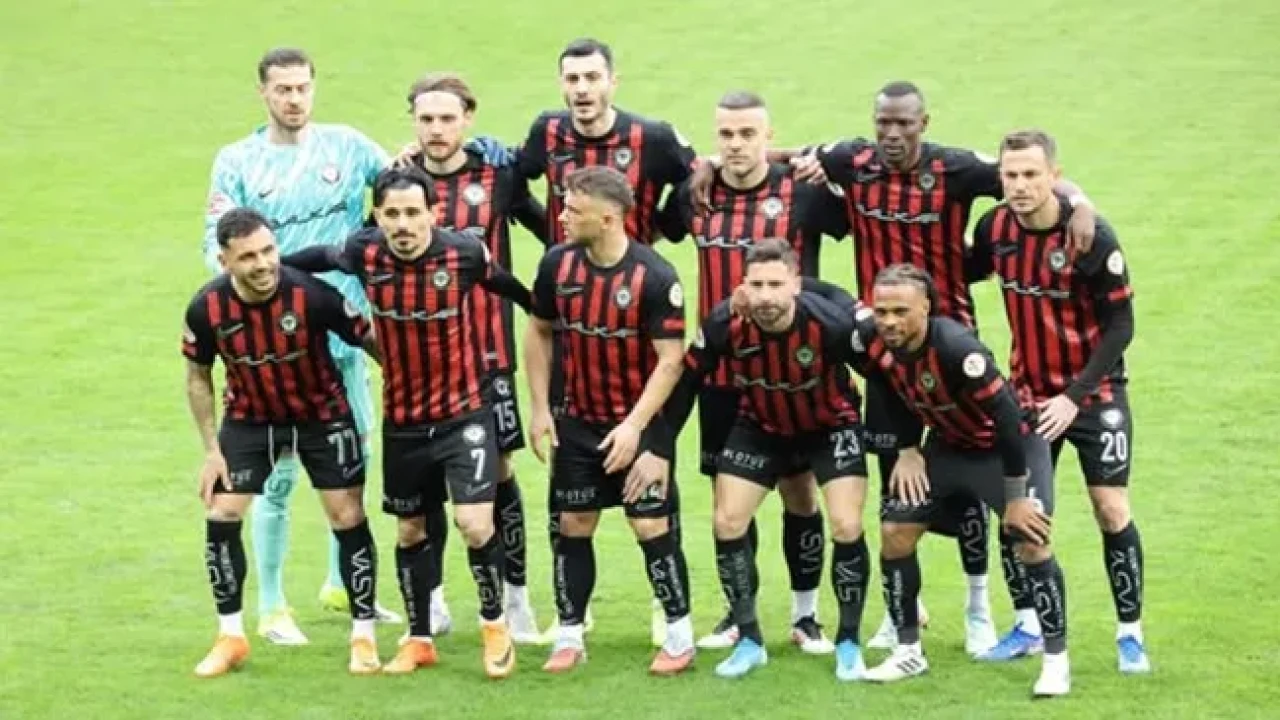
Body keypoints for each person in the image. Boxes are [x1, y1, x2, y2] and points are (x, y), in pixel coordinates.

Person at [705, 80, 1100, 654]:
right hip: (884, 341)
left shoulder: (955, 169)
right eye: (883, 123)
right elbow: (788, 154)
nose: (892, 134)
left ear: (923, 123)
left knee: (970, 484)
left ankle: (980, 608)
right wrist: (711, 164)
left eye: (903, 124)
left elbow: (1027, 176)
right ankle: (901, 614)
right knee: (898, 477)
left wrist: (1080, 203)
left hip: (950, 343)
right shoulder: (853, 160)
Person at [281, 167, 533, 678]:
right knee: (410, 530)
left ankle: (494, 626)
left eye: (413, 213)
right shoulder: (364, 252)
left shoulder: (463, 253)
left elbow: (508, 286)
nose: (402, 224)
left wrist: (544, 311)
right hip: (403, 420)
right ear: (377, 216)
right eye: (392, 213)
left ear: (433, 214)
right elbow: (315, 260)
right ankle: (419, 639)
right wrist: (273, 268)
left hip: (465, 413)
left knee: (474, 523)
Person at [199, 47, 399, 643]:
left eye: (302, 87)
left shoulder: (349, 147)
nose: (294, 98)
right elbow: (214, 244)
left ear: (314, 87)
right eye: (282, 89)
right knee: (277, 475)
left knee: (352, 463)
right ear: (262, 92)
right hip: (275, 344)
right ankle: (271, 605)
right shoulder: (238, 161)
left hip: (346, 333)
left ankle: (343, 585)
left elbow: (401, 184)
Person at [516, 36, 697, 644]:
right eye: (571, 78)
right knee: (572, 516)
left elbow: (697, 178)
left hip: (638, 373)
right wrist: (540, 407)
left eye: (592, 77)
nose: (581, 89)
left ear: (613, 81)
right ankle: (573, 622)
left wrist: (665, 228)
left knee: (652, 517)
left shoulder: (654, 140)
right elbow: (509, 182)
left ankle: (671, 617)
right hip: (577, 382)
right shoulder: (547, 140)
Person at [657, 91, 852, 653]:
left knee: (800, 495)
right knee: (729, 503)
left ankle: (805, 616)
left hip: (795, 372)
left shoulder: (804, 190)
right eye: (726, 134)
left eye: (748, 133)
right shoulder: (695, 193)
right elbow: (653, 229)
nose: (736, 144)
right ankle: (737, 615)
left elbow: (859, 214)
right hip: (721, 376)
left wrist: (807, 159)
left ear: (769, 136)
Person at [968, 129, 1148, 673]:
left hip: (1095, 393)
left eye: (1031, 174)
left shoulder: (1091, 237)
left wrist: (1074, 396)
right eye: (1011, 175)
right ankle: (1027, 625)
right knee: (1017, 510)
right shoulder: (995, 228)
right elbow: (961, 272)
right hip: (1026, 395)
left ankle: (1130, 634)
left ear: (1055, 176)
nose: (1020, 185)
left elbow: (1121, 326)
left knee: (1110, 507)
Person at [849, 264, 1071, 698]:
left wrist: (1015, 498)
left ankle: (1056, 661)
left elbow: (1008, 418)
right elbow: (887, 386)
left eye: (901, 311)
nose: (889, 321)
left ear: (926, 308)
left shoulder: (956, 348)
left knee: (1031, 541)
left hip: (1008, 447)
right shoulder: (873, 340)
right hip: (949, 447)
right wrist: (907, 448)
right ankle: (908, 651)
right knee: (895, 532)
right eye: (882, 311)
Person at [659, 239, 872, 680]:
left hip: (830, 425)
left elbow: (882, 375)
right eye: (756, 285)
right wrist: (659, 450)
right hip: (761, 425)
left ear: (796, 284)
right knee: (727, 521)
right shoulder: (726, 323)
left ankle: (848, 641)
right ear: (743, 285)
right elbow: (688, 380)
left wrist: (902, 448)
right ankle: (750, 639)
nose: (765, 296)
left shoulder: (831, 325)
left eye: (775, 284)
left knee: (847, 524)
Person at [184, 209, 384, 677]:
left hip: (322, 415)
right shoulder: (206, 308)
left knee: (347, 515)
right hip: (251, 419)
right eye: (248, 257)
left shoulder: (311, 294)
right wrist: (212, 450)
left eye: (268, 251)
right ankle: (230, 636)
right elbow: (197, 376)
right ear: (224, 261)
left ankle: (364, 635)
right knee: (221, 512)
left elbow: (370, 338)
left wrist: (404, 386)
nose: (263, 264)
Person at [400, 72, 550, 643]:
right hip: (419, 366)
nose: (437, 129)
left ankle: (516, 599)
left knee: (502, 473)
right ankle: (433, 600)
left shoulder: (498, 174)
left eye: (447, 118)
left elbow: (548, 228)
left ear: (468, 118)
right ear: (413, 122)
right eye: (426, 119)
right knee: (424, 483)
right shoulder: (398, 183)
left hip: (489, 358)